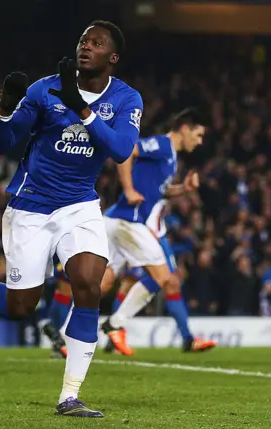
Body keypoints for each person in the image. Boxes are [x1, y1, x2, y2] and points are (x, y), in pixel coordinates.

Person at [0, 21, 143, 418]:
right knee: (21, 306)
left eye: (96, 44)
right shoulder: (45, 89)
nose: (86, 47)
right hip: (31, 206)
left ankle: (69, 396)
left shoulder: (126, 97)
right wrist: (6, 111)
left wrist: (80, 109)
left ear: (112, 58)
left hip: (80, 205)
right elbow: (1, 144)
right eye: (83, 40)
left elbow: (119, 149)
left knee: (88, 285)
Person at [100, 108, 217, 355]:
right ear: (184, 129)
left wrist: (183, 188)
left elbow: (159, 191)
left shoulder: (172, 157)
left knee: (103, 283)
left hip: (120, 221)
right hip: (128, 221)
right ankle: (115, 325)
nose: (200, 141)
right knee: (165, 278)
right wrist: (129, 189)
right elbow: (126, 151)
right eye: (198, 135)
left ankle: (62, 334)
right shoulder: (163, 145)